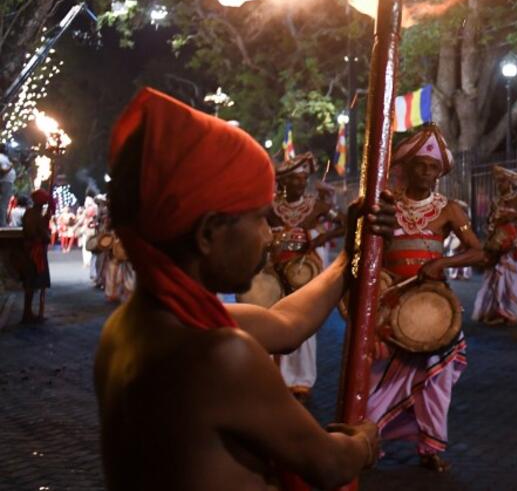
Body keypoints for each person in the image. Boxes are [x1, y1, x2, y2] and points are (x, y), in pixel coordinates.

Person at [94, 88, 383, 489]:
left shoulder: (130, 326)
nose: (269, 236)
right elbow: (329, 464)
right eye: (261, 218)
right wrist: (364, 442)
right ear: (209, 233)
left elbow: (286, 323)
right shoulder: (220, 356)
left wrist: (345, 258)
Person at [366, 124, 484, 472]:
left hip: (434, 311)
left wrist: (444, 262)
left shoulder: (449, 210)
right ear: (406, 167)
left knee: (435, 382)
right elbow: (363, 254)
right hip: (390, 309)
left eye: (434, 169)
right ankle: (368, 439)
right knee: (377, 378)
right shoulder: (386, 206)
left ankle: (430, 447)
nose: (428, 174)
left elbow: (479, 252)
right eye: (422, 166)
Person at [262, 152, 343, 402]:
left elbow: (343, 223)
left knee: (304, 322)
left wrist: (321, 235)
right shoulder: (270, 207)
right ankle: (275, 378)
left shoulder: (316, 206)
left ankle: (301, 381)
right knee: (272, 318)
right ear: (283, 182)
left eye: (303, 179)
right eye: (294, 179)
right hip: (274, 271)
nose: (300, 183)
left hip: (306, 270)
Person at [474, 165, 517, 325]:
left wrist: (514, 216)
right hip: (495, 241)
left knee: (508, 278)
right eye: (498, 183)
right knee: (492, 277)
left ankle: (508, 312)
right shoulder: (496, 201)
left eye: (502, 182)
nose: (499, 186)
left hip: (510, 244)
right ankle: (492, 311)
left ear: (510, 183)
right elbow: (490, 218)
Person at [20, 188, 53, 323]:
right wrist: (44, 234)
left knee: (34, 283)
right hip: (34, 252)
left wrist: (45, 221)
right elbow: (34, 233)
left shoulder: (34, 214)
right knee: (31, 282)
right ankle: (27, 313)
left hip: (36, 251)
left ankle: (29, 312)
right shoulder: (32, 214)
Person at [0, 148, 14, 225]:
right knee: (3, 204)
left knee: (3, 204)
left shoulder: (3, 158)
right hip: (5, 181)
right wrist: (11, 166)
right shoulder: (1, 157)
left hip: (5, 181)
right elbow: (3, 170)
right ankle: (2, 224)